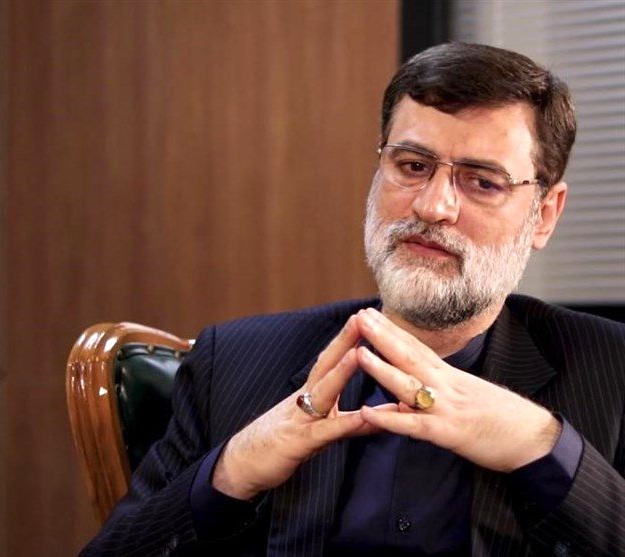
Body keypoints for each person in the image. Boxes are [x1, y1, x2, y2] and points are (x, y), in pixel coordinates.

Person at [80, 43, 625, 556]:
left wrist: (540, 446)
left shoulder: (611, 371)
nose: (433, 207)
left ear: (544, 215)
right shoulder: (232, 363)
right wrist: (232, 471)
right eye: (413, 166)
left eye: (482, 182)